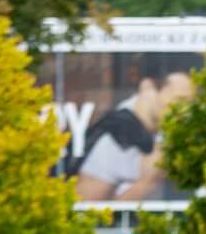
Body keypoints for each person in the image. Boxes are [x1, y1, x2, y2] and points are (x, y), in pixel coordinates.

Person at [72, 69, 195, 201]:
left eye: (189, 104)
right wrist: (146, 183)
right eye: (179, 100)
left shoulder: (164, 133)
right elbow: (88, 211)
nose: (184, 110)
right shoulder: (114, 138)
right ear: (148, 86)